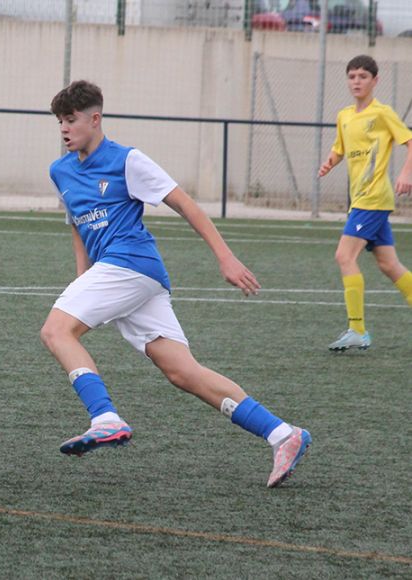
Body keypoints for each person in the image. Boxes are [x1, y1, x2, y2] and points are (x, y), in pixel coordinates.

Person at [42, 80, 310, 488]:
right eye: (60, 121)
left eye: (72, 119)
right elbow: (79, 224)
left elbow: (184, 204)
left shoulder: (127, 160)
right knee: (183, 372)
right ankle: (283, 434)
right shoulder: (60, 171)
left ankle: (105, 418)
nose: (64, 128)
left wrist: (225, 257)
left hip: (131, 264)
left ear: (95, 119)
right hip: (124, 276)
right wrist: (84, 276)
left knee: (55, 330)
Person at [318, 55, 412, 352]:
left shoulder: (382, 113)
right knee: (388, 264)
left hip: (374, 198)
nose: (356, 81)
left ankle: (357, 329)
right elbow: (340, 148)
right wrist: (329, 163)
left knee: (344, 256)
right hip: (360, 199)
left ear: (375, 80)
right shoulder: (345, 115)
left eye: (362, 76)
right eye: (352, 76)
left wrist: (406, 173)